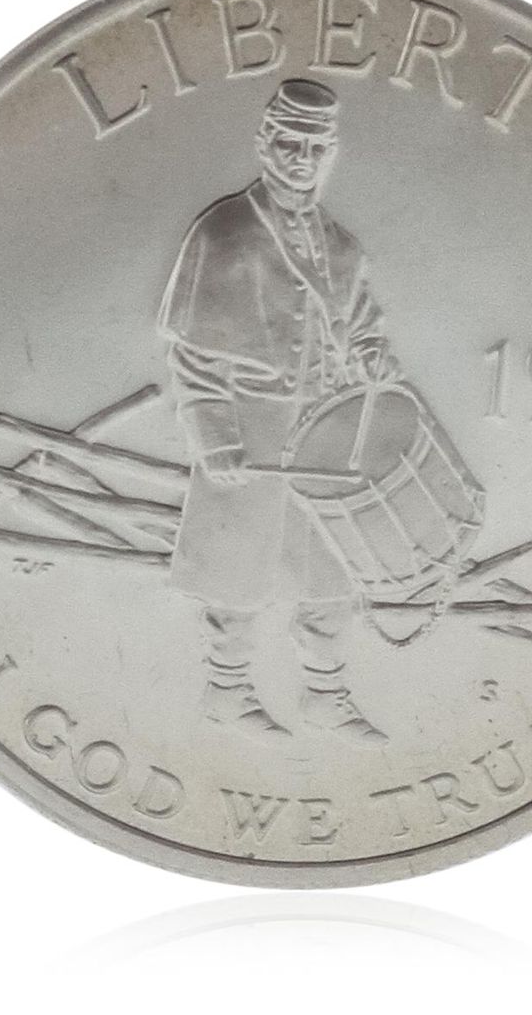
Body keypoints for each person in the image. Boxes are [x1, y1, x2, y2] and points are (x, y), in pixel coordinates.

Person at [157, 79, 396, 745]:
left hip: (322, 432)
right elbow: (195, 356)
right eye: (291, 144)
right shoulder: (223, 231)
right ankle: (226, 692)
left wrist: (370, 353)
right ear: (266, 145)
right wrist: (215, 438)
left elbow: (363, 324)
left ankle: (327, 695)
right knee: (236, 570)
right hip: (249, 427)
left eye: (316, 148)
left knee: (329, 570)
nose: (302, 159)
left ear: (331, 154)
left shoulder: (343, 246)